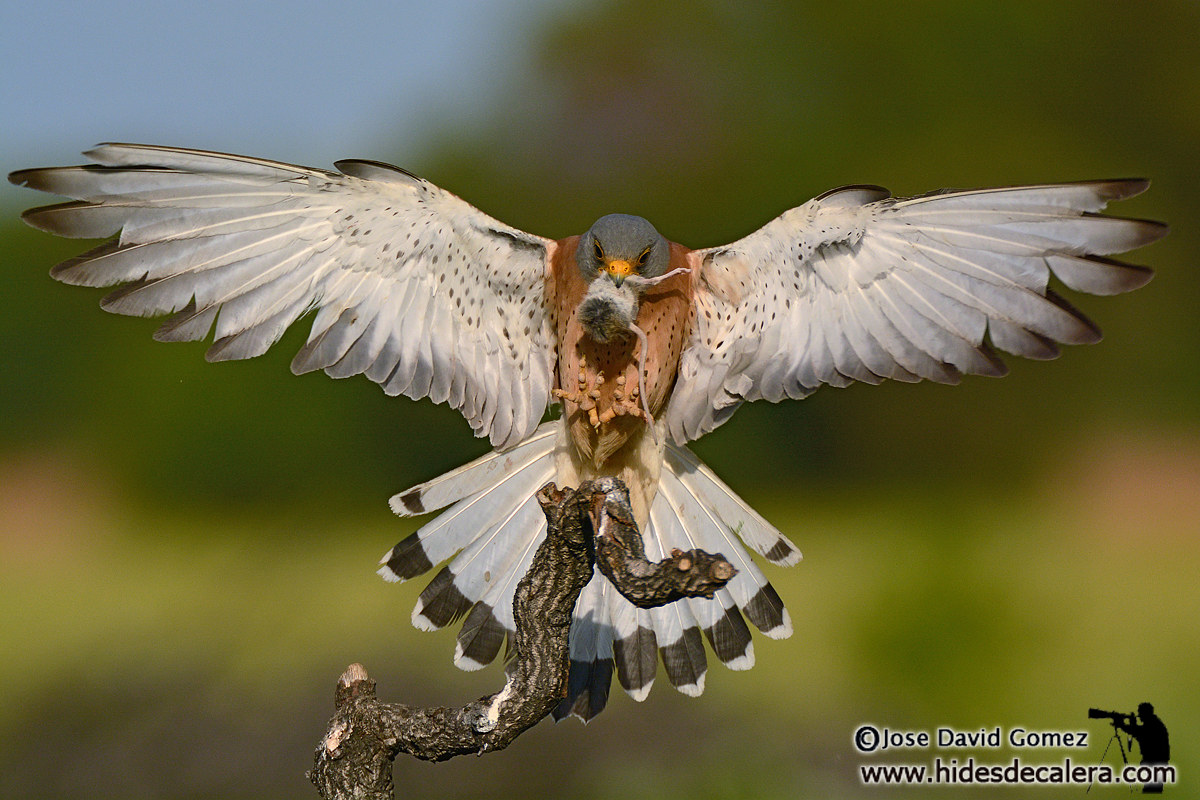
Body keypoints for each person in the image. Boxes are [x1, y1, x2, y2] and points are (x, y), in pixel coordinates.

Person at [1116, 703, 1171, 794]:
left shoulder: (1153, 725)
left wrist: (1122, 725)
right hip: (1156, 764)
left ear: (1145, 713)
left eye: (1140, 713)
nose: (1139, 715)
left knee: (1151, 791)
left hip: (1155, 764)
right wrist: (1132, 724)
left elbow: (1139, 733)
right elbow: (1139, 732)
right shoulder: (1155, 723)